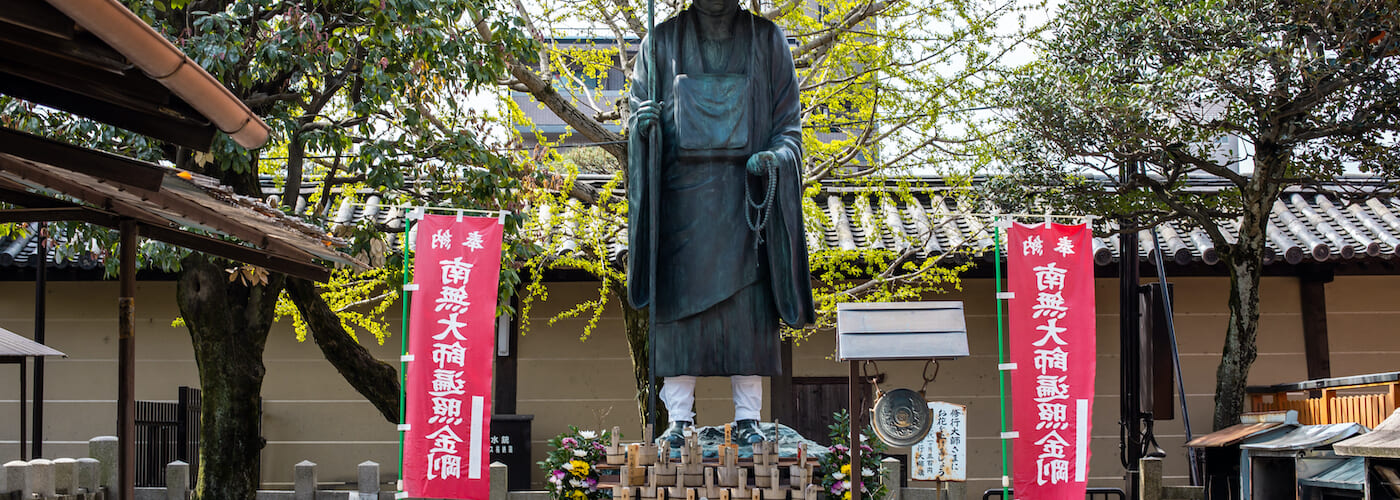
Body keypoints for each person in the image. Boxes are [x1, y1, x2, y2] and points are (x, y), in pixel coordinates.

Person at [626, 0, 815, 447]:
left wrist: (776, 158)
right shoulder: (661, 41)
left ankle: (749, 417)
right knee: (677, 316)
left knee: (748, 314)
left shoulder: (767, 40)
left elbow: (789, 129)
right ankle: (678, 419)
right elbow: (636, 116)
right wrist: (643, 128)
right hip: (680, 210)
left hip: (744, 207)